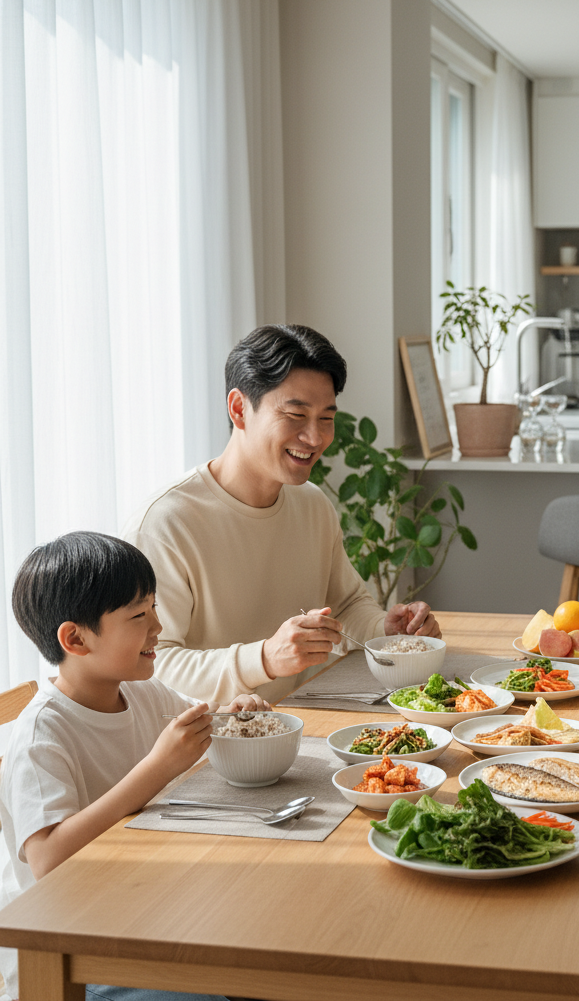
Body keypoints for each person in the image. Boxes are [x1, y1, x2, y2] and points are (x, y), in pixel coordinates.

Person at [1, 531, 270, 1001]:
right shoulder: (42, 735)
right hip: (75, 952)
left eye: (154, 608)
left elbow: (200, 724)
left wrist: (233, 714)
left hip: (149, 908)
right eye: (138, 615)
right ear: (76, 638)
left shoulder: (143, 691)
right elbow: (48, 860)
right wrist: (156, 769)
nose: (158, 627)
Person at [123, 324, 440, 705]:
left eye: (326, 418)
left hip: (305, 722)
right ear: (239, 409)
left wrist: (385, 631)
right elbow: (150, 668)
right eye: (295, 415)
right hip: (207, 747)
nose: (315, 437)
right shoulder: (166, 524)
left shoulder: (312, 505)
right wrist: (264, 660)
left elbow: (347, 604)